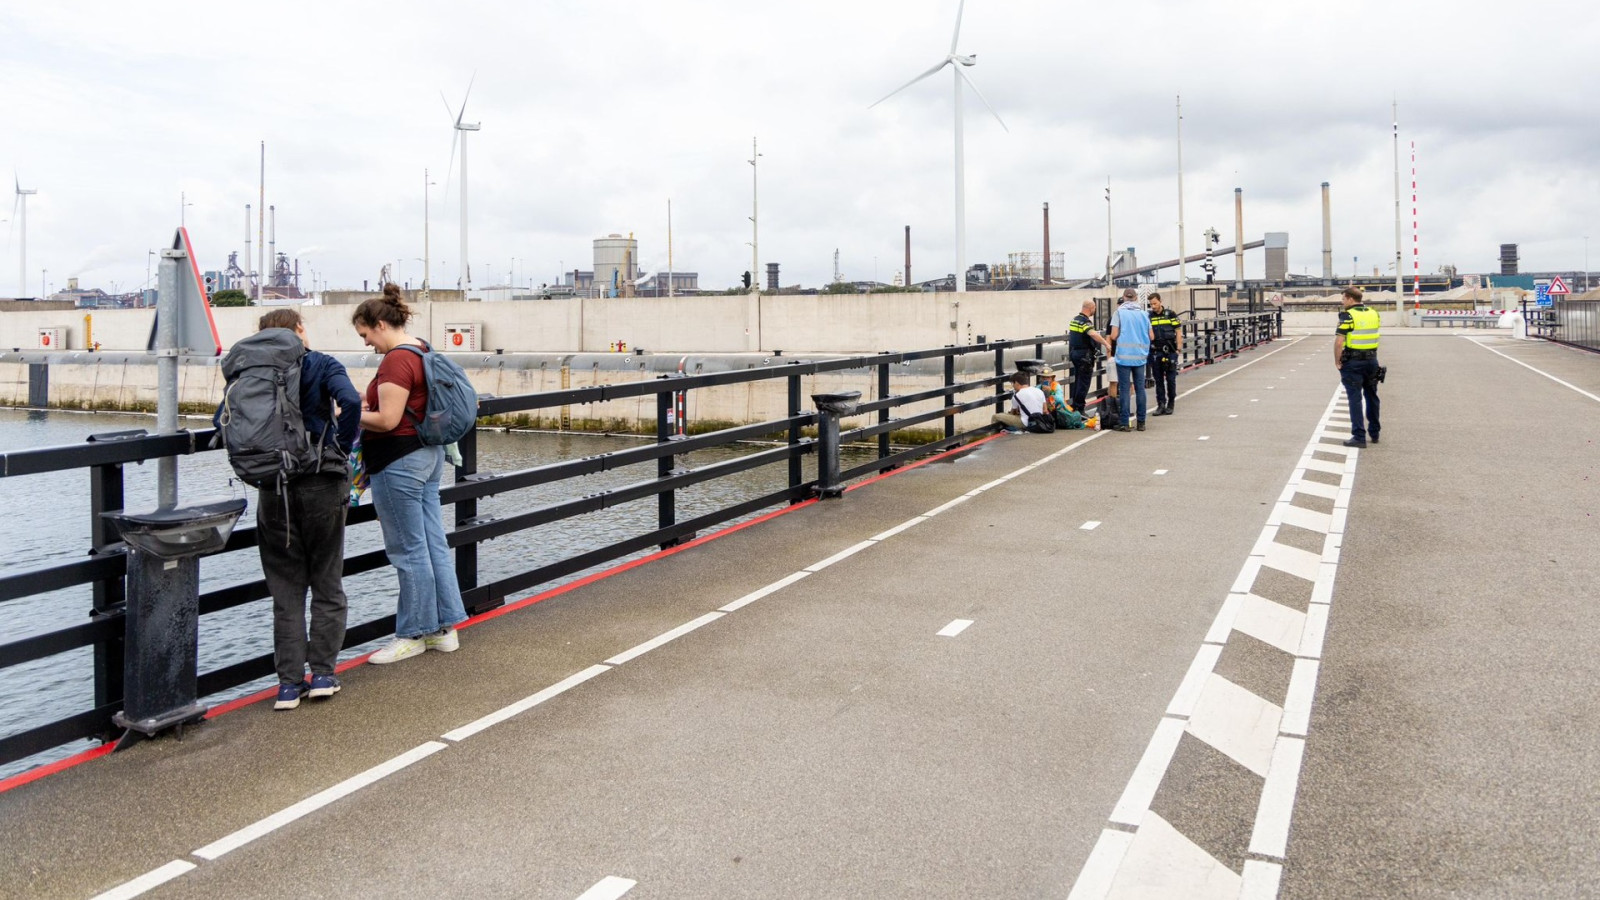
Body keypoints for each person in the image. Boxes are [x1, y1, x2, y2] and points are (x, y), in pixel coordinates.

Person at [219, 309, 361, 710]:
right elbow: (350, 401)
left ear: (260, 335)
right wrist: (342, 447)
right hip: (321, 481)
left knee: (286, 589)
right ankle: (323, 675)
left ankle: (287, 686)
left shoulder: (247, 369)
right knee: (327, 582)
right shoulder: (320, 362)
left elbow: (225, 421)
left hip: (272, 487)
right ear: (299, 330)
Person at [352, 284, 468, 664]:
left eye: (366, 335)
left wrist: (346, 413)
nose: (367, 343)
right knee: (433, 543)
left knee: (407, 549)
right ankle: (444, 629)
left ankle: (412, 634)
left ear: (381, 324)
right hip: (428, 456)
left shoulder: (395, 361)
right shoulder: (422, 348)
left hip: (398, 461)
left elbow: (386, 420)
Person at [1335, 286, 1381, 447]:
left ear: (1350, 299)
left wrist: (1337, 360)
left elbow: (1339, 341)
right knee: (1372, 396)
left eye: (1343, 299)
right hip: (1372, 361)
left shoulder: (1347, 316)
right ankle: (1374, 432)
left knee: (1355, 399)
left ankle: (1359, 436)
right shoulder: (1374, 313)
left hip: (1353, 363)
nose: (1342, 302)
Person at [1108, 288, 1154, 432]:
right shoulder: (1144, 314)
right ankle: (1141, 422)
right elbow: (1152, 336)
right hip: (1140, 356)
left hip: (1123, 357)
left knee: (1125, 389)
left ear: (1124, 298)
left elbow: (1114, 335)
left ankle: (1124, 423)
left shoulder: (1119, 313)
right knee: (1140, 389)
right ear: (1135, 298)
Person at [1066, 299, 1112, 412]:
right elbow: (1092, 334)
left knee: (1078, 380)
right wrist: (1106, 344)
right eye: (1094, 308)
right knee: (1084, 383)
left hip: (1075, 354)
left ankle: (1075, 406)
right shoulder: (1085, 322)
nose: (1095, 310)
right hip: (1084, 356)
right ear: (1091, 308)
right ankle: (1079, 408)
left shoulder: (1074, 320)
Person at [1147, 292, 1184, 416]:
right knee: (1158, 380)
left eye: (1155, 303)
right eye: (1151, 304)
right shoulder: (1149, 316)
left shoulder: (1170, 314)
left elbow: (1178, 332)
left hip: (1170, 352)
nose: (1153, 306)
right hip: (1156, 353)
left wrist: (1178, 349)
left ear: (1160, 301)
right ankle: (1161, 404)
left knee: (1170, 379)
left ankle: (1171, 403)